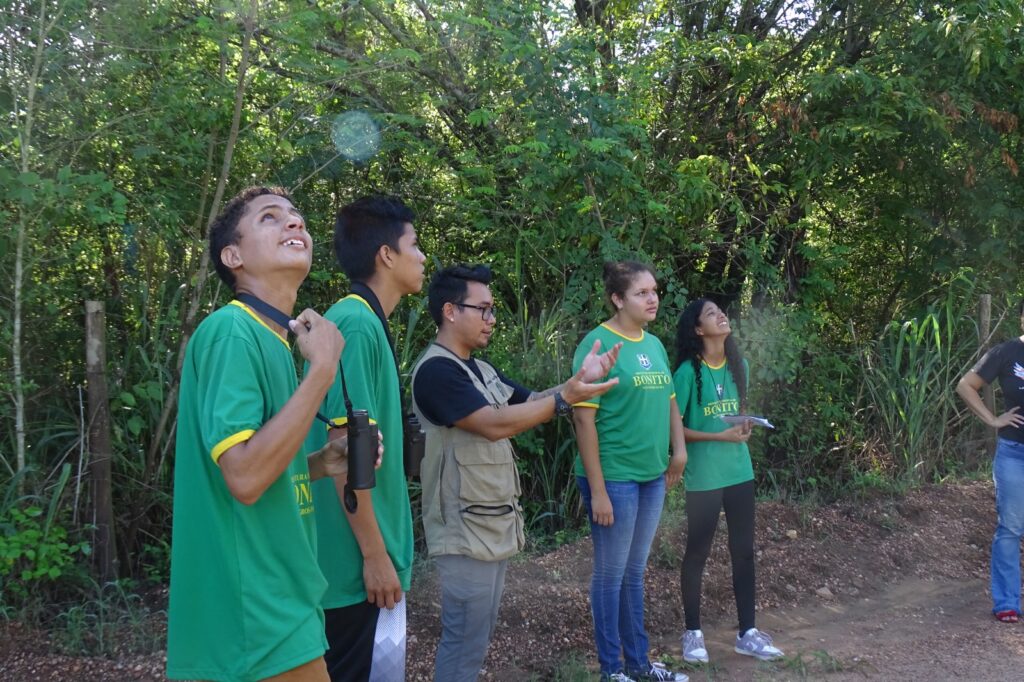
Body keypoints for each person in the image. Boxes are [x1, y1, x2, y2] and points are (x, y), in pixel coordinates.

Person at [167, 186, 348, 681]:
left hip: (282, 607)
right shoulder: (232, 331)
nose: (295, 224)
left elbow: (257, 468)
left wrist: (318, 463)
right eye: (271, 218)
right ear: (234, 256)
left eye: (297, 217)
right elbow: (244, 478)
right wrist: (322, 372)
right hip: (255, 622)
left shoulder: (273, 339)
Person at [410, 263, 621, 682]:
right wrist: (565, 398)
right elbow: (494, 423)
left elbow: (531, 402)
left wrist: (577, 381)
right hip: (462, 532)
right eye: (483, 310)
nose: (491, 319)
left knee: (477, 634)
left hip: (491, 525)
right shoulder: (437, 370)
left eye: (492, 310)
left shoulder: (478, 368)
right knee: (464, 638)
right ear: (451, 311)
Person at [306, 196, 424, 681]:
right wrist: (375, 558)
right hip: (354, 571)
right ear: (386, 255)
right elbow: (346, 451)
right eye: (414, 245)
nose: (422, 257)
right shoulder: (354, 321)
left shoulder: (369, 321)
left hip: (371, 564)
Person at [573, 261, 689, 682]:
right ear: (617, 299)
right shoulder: (598, 343)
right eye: (642, 292)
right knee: (610, 574)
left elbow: (671, 401)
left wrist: (679, 451)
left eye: (654, 290)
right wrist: (599, 491)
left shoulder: (654, 345)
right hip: (614, 478)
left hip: (652, 476)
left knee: (634, 573)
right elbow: (583, 420)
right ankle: (612, 671)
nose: (653, 298)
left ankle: (639, 666)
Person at [672, 298, 783, 664]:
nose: (721, 315)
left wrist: (743, 425)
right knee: (698, 553)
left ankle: (747, 633)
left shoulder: (741, 366)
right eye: (711, 314)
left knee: (744, 551)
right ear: (698, 330)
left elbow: (733, 415)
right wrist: (718, 436)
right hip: (703, 477)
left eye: (721, 311)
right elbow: (675, 429)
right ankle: (693, 634)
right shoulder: (687, 372)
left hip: (739, 472)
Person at [956, 298, 1024, 623]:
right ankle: (1007, 602)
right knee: (1011, 527)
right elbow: (966, 385)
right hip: (1014, 453)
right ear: (1022, 319)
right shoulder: (1006, 352)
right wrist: (992, 419)